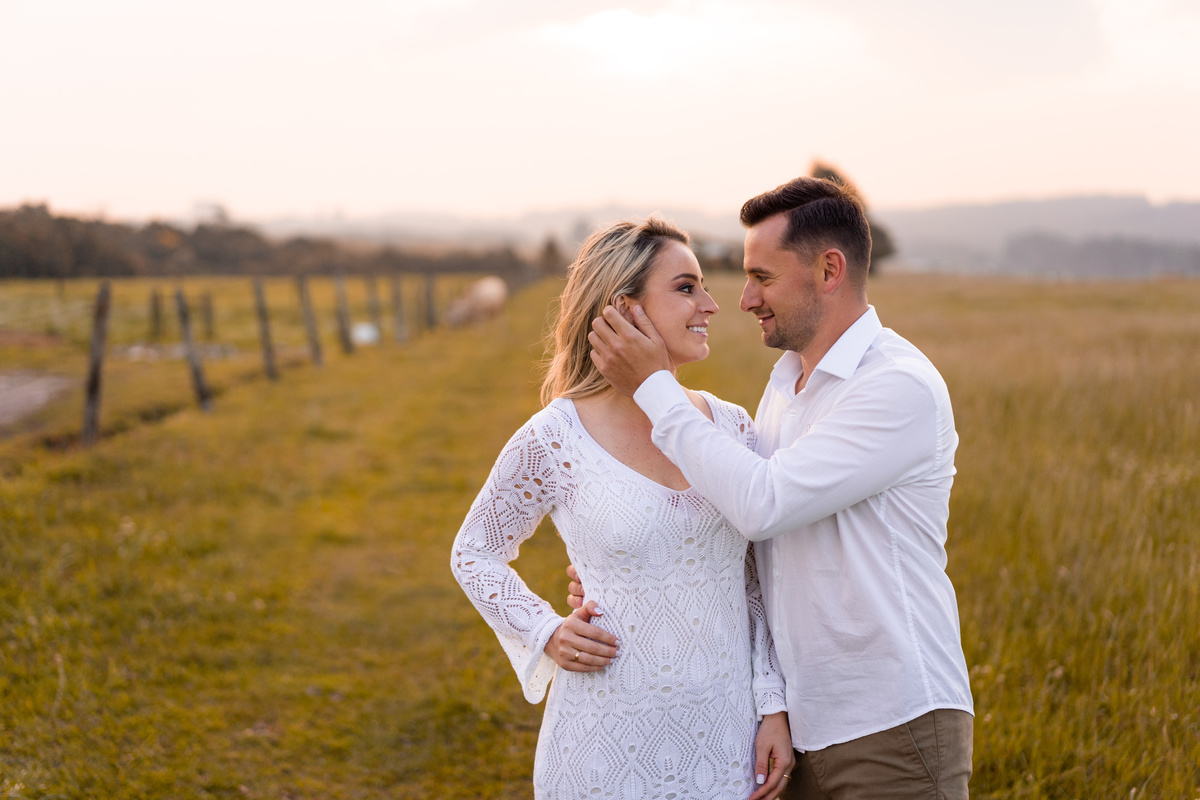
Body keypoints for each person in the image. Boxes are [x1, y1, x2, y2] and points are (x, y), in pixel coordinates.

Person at [578, 176, 974, 799]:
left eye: (763, 277)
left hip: (891, 725)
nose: (744, 298)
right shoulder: (785, 384)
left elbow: (763, 504)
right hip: (800, 722)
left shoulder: (897, 387)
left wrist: (653, 387)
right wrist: (626, 570)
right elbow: (735, 527)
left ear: (829, 269)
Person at [450, 217, 795, 800]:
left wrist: (772, 706)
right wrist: (545, 631)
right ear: (624, 310)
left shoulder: (734, 427)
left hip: (724, 741)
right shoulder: (555, 437)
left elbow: (754, 582)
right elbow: (474, 552)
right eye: (686, 288)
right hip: (602, 747)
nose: (711, 304)